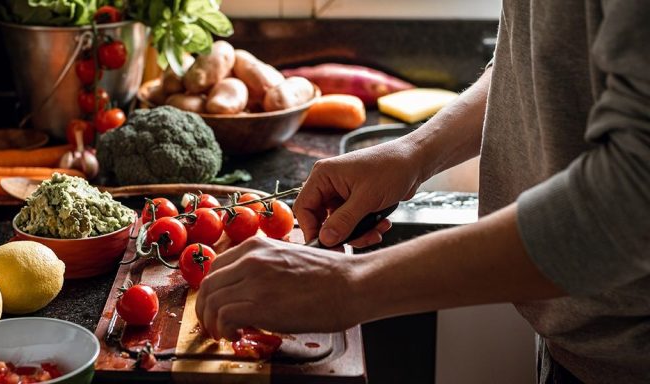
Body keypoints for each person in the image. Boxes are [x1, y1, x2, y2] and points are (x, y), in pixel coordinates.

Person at [196, 1, 650, 382]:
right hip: (581, 343)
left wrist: (350, 286)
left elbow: (633, 197)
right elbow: (539, 60)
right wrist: (415, 151)